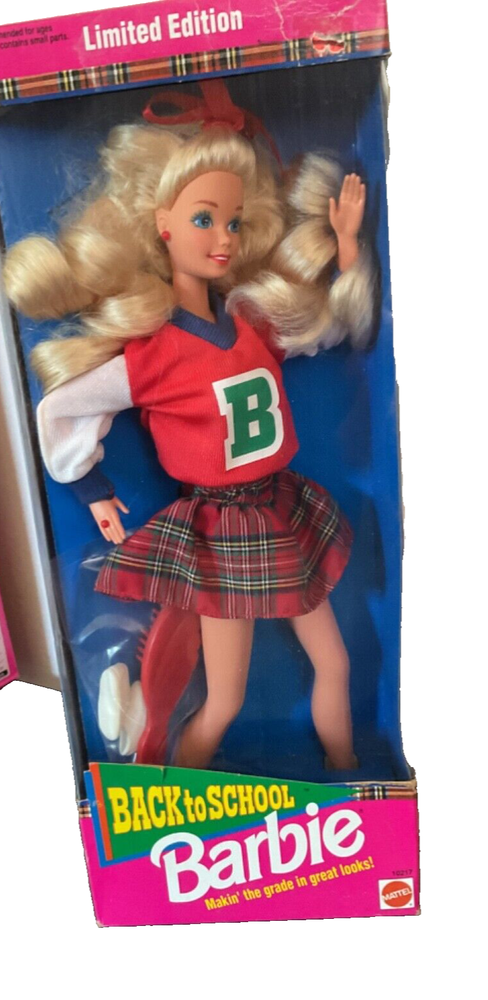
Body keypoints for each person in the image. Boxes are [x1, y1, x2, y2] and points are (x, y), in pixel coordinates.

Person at [4, 80, 373, 770]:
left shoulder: (252, 319)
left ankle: (352, 782)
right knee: (224, 699)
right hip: (223, 530)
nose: (224, 238)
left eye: (233, 222)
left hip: (280, 509)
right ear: (162, 223)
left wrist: (347, 250)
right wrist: (92, 488)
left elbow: (324, 329)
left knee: (336, 663)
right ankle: (169, 789)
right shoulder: (153, 354)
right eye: (205, 219)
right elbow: (62, 408)